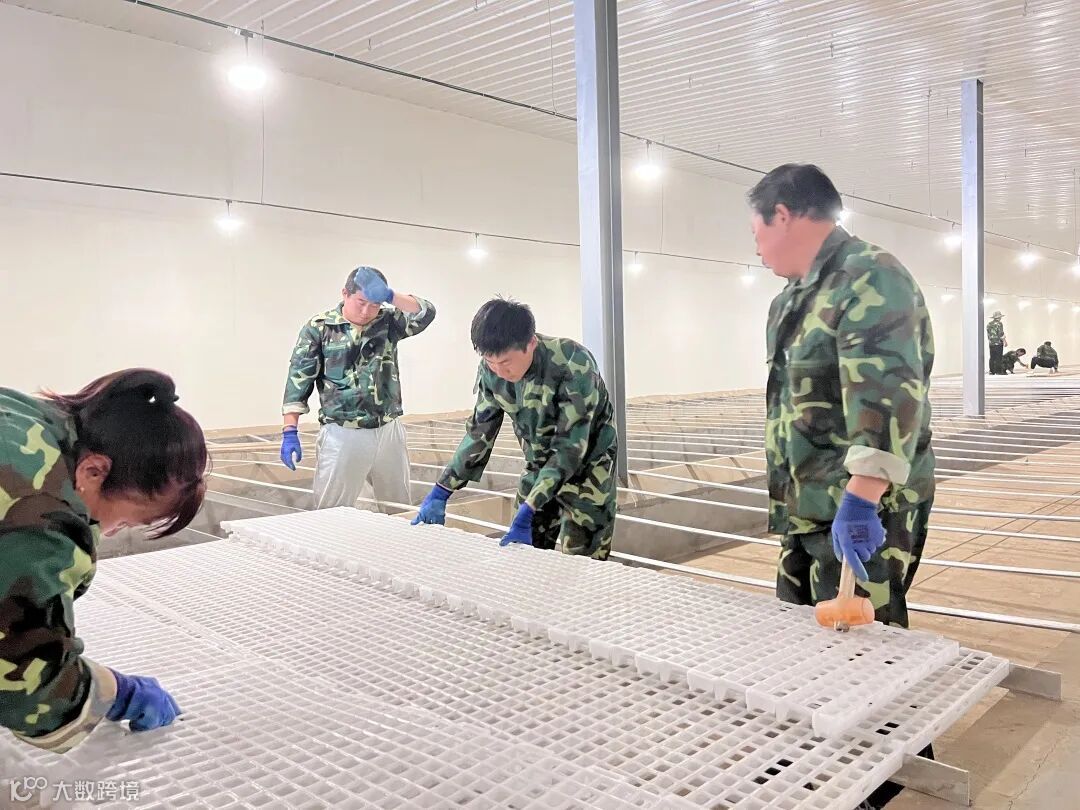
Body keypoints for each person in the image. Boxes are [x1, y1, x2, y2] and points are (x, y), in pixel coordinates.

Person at [751, 164, 936, 808]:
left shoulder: (871, 277)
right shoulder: (792, 299)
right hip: (805, 505)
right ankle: (825, 752)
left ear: (782, 214)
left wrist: (861, 500)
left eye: (756, 229)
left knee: (867, 642)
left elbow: (886, 399)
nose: (755, 245)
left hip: (861, 505)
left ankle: (879, 773)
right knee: (808, 641)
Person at [1, 369, 207, 753]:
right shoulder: (37, 516)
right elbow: (29, 697)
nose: (110, 532)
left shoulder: (28, 418)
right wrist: (115, 691)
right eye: (127, 520)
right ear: (94, 471)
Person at [411, 298, 618, 559]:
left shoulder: (572, 363)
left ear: (530, 343)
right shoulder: (491, 371)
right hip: (539, 464)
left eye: (506, 362)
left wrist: (531, 505)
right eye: (490, 362)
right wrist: (442, 490)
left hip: (588, 470)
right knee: (524, 554)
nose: (499, 371)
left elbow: (570, 448)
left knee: (583, 561)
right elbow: (480, 432)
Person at [280, 266, 436, 510]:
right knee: (333, 509)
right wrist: (290, 430)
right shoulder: (320, 327)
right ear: (345, 294)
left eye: (374, 305)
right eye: (361, 302)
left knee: (398, 507)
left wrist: (391, 296)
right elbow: (298, 379)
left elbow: (426, 312)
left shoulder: (388, 321)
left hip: (388, 429)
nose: (366, 312)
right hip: (343, 432)